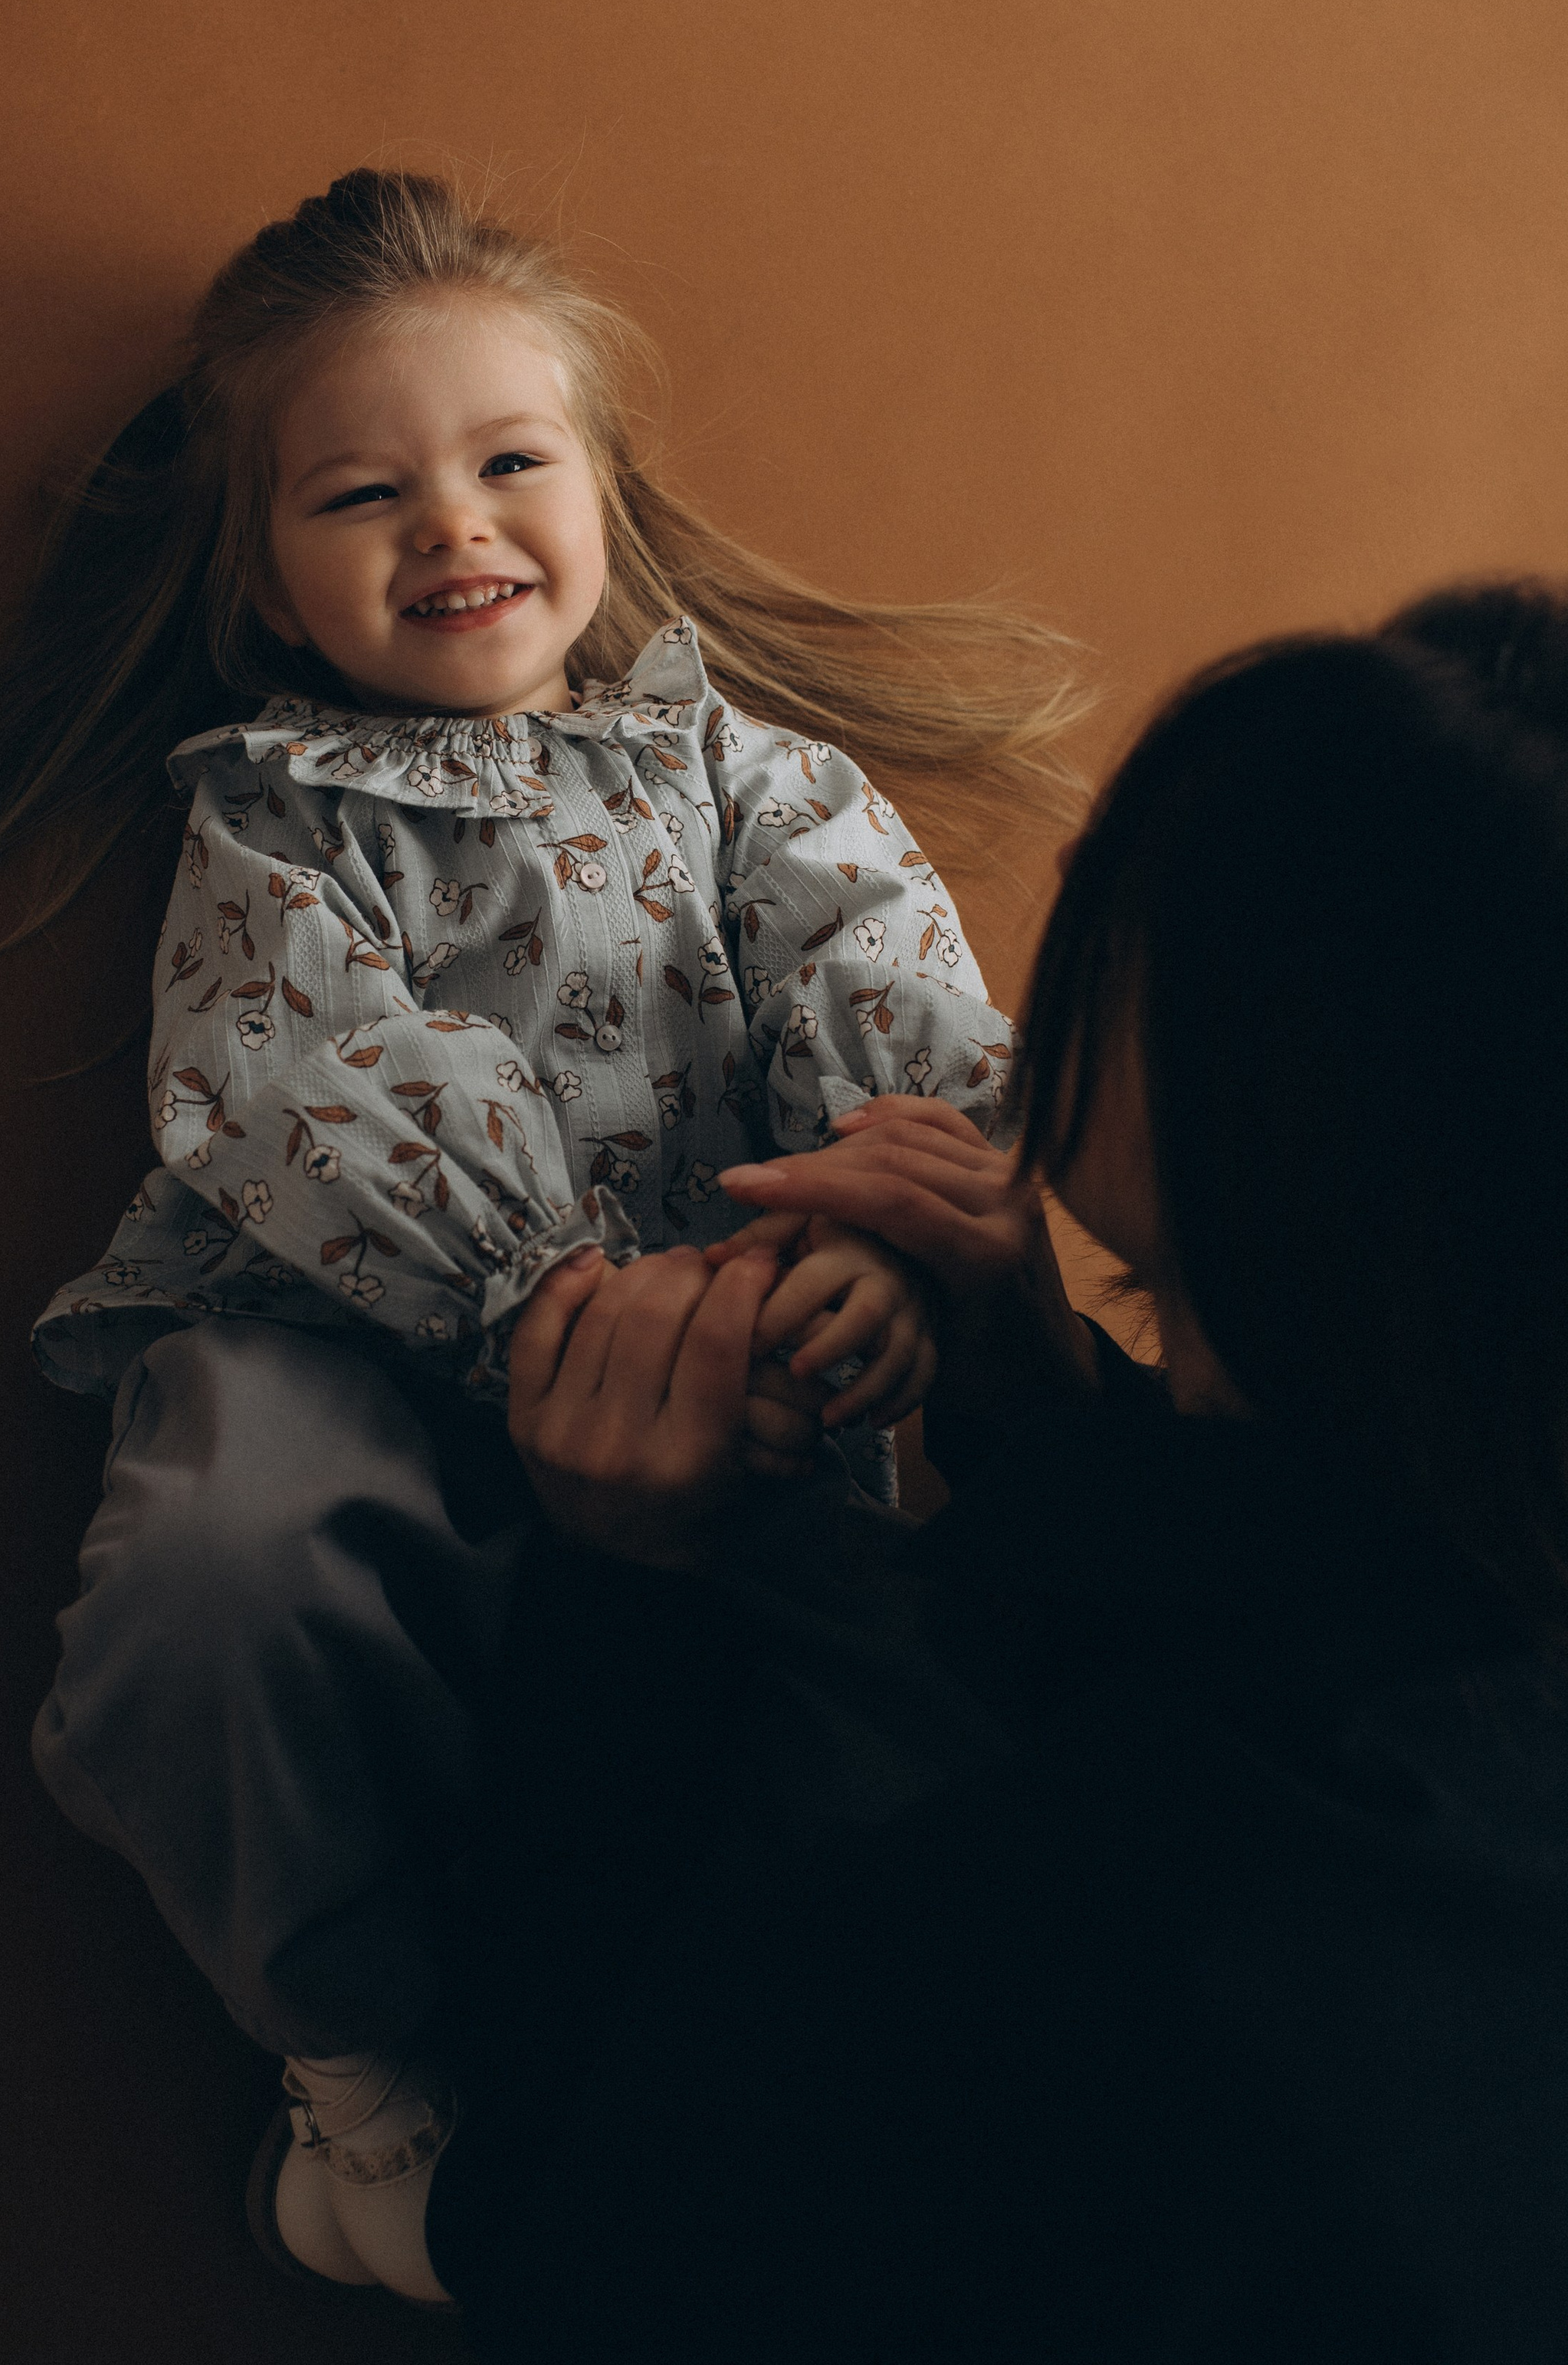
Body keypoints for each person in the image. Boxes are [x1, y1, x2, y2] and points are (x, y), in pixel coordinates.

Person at [0, 169, 1081, 2300]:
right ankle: (360, 2084)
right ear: (271, 585)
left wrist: (881, 1244)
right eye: (366, 494)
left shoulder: (747, 776)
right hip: (349, 1330)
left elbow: (894, 999)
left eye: (507, 464)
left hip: (726, 1334)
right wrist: (538, 1284)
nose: (454, 529)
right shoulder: (270, 812)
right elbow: (295, 1077)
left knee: (817, 1766)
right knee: (209, 1575)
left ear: (600, 496)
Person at [428, 580, 1568, 2361]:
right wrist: (1052, 1404)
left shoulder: (1089, 1947)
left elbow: (557, 2238)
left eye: (1152, 919)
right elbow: (1338, 1588)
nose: (1048, 920)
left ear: (1276, 1088)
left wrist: (614, 1601)